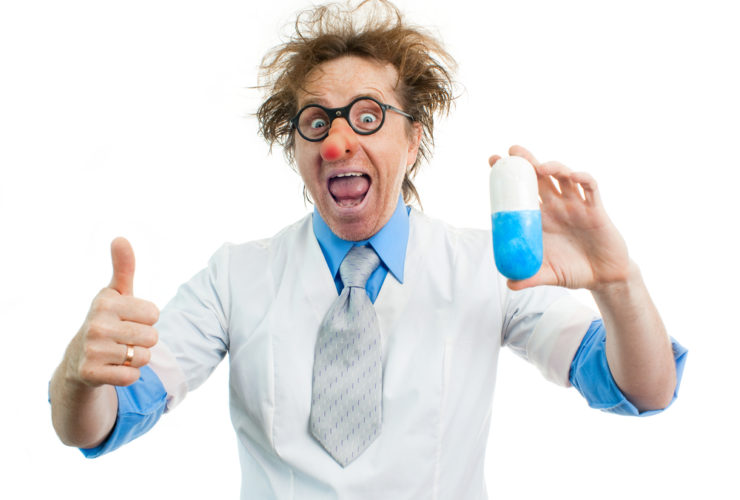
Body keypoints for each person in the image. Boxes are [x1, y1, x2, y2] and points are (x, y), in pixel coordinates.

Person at [49, 0, 686, 497]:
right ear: (297, 149)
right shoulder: (234, 277)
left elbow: (644, 389)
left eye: (368, 116)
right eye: (316, 122)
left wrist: (617, 283)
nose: (338, 142)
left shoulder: (487, 269)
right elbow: (99, 422)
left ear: (413, 141)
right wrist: (79, 377)